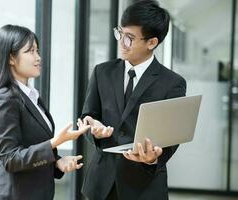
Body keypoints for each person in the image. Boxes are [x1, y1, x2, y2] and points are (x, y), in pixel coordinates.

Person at [78, 1, 186, 199]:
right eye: (120, 33)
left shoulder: (172, 83)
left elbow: (172, 137)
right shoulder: (102, 72)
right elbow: (88, 115)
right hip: (101, 184)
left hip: (144, 185)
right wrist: (94, 129)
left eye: (129, 38)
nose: (121, 42)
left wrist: (154, 158)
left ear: (152, 42)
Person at [0, 24, 90, 200]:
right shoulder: (3, 99)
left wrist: (57, 163)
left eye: (37, 51)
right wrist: (55, 142)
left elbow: (30, 147)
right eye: (30, 52)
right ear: (11, 59)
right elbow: (10, 159)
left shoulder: (29, 95)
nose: (38, 58)